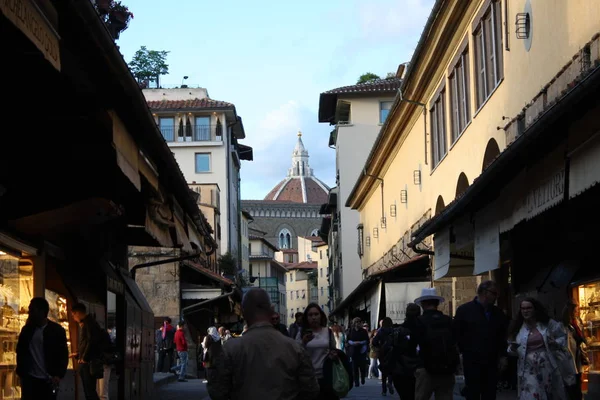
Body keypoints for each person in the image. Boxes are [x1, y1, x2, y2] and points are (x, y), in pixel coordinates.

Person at [207, 288, 319, 400]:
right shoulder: (295, 348)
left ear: (243, 312)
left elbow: (217, 392)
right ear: (271, 311)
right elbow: (311, 390)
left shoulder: (229, 349)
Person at [509, 298, 576, 400]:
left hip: (547, 366)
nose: (525, 311)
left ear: (535, 309)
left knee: (548, 393)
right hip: (528, 368)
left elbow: (562, 336)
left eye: (528, 308)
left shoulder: (547, 323)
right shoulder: (518, 327)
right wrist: (512, 349)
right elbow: (511, 349)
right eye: (523, 308)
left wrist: (555, 343)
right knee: (532, 394)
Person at [454, 280, 509, 400]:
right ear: (484, 292)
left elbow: (502, 336)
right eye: (494, 293)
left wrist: (503, 356)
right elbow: (457, 335)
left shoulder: (498, 313)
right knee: (473, 393)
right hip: (472, 361)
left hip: (492, 362)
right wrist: (461, 355)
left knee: (490, 394)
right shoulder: (464, 311)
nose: (496, 297)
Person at [16, 297, 69, 400]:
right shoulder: (27, 330)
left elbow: (63, 354)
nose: (29, 312)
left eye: (32, 310)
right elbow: (21, 351)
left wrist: (58, 375)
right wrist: (21, 373)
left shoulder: (56, 331)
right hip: (30, 380)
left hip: (48, 380)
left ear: (42, 311)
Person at [413, 287, 458, 400]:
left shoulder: (419, 321)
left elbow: (413, 344)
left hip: (425, 368)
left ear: (423, 304)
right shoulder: (448, 320)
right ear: (437, 303)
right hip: (446, 369)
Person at [298, 303, 339, 399]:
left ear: (321, 316)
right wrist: (303, 342)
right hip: (308, 378)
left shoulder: (327, 332)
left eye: (316, 314)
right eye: (310, 315)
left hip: (326, 376)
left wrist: (333, 354)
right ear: (306, 318)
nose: (314, 317)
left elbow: (333, 349)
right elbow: (295, 353)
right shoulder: (301, 333)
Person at [71, 302, 108, 400]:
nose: (74, 318)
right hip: (87, 361)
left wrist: (84, 357)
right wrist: (79, 354)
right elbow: (88, 342)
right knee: (90, 391)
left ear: (77, 313)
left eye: (73, 315)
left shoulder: (88, 323)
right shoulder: (89, 322)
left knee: (89, 391)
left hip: (88, 363)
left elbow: (91, 341)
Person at [561, 302, 587, 400]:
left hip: (577, 353)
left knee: (578, 378)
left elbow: (581, 335)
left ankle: (578, 397)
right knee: (572, 380)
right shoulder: (565, 325)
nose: (577, 313)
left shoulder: (578, 321)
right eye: (575, 311)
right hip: (570, 353)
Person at [372, 317, 395, 396]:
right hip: (392, 352)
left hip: (382, 353)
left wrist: (379, 346)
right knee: (391, 369)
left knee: (384, 370)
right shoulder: (393, 330)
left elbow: (374, 342)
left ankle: (384, 390)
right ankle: (390, 382)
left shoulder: (380, 331)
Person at [346, 317, 369, 387]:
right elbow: (347, 341)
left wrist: (361, 342)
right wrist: (352, 343)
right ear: (354, 323)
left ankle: (362, 377)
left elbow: (367, 340)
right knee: (354, 367)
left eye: (359, 322)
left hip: (362, 351)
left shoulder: (364, 331)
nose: (358, 323)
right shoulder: (350, 331)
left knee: (362, 366)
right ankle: (356, 381)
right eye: (356, 322)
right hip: (353, 352)